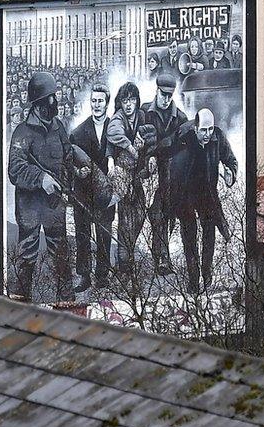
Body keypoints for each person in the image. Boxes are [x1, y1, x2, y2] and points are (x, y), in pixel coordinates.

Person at [8, 72, 78, 302]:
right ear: (38, 104)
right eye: (50, 98)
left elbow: (67, 156)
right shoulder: (22, 132)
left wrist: (73, 176)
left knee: (61, 255)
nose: (55, 102)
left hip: (54, 205)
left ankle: (66, 303)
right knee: (26, 254)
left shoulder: (58, 127)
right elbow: (15, 169)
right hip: (29, 207)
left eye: (55, 97)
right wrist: (41, 179)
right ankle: (18, 304)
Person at [160, 109, 238, 293]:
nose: (207, 134)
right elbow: (163, 148)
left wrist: (231, 173)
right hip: (185, 191)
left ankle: (207, 271)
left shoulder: (217, 137)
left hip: (206, 191)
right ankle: (193, 279)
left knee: (209, 230)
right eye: (203, 130)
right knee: (189, 234)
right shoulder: (183, 135)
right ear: (196, 128)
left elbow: (231, 160)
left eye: (210, 129)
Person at [141, 74, 188, 274]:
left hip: (170, 173)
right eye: (163, 94)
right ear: (157, 90)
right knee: (155, 214)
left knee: (165, 214)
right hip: (147, 171)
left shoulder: (181, 117)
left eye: (170, 95)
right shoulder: (144, 112)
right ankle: (160, 255)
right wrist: (148, 157)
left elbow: (184, 148)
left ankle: (162, 257)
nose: (166, 99)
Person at [106, 82, 155, 276]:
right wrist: (131, 147)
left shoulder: (141, 116)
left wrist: (148, 150)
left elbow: (152, 136)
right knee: (125, 220)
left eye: (131, 100)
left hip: (138, 175)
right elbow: (113, 132)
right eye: (125, 100)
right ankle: (124, 266)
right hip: (123, 174)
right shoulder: (118, 118)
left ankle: (127, 254)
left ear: (136, 101)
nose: (128, 105)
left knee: (141, 214)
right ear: (120, 102)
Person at [69, 84, 114, 292]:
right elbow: (69, 162)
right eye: (94, 101)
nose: (97, 105)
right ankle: (84, 275)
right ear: (90, 103)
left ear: (107, 103)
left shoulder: (115, 129)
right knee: (82, 234)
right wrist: (79, 172)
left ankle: (103, 275)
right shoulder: (78, 133)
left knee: (104, 232)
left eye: (100, 101)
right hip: (83, 193)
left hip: (105, 193)